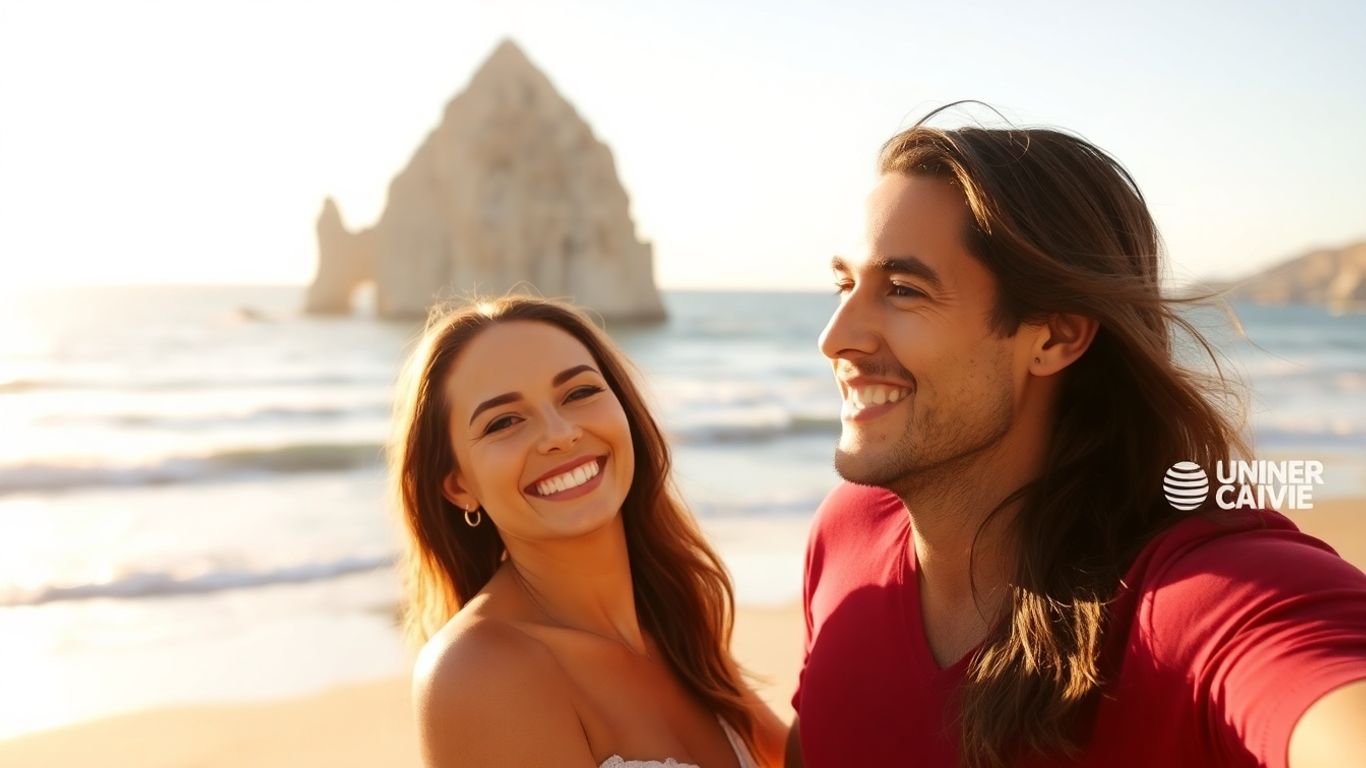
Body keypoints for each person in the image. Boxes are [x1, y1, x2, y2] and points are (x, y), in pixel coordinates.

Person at [787, 108, 1366, 768]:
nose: (835, 338)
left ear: (1057, 337)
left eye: (902, 288)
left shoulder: (1205, 595)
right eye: (844, 283)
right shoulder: (846, 536)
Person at [394, 296, 785, 767]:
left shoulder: (670, 620)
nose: (560, 433)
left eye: (579, 394)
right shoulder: (477, 670)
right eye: (504, 421)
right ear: (458, 487)